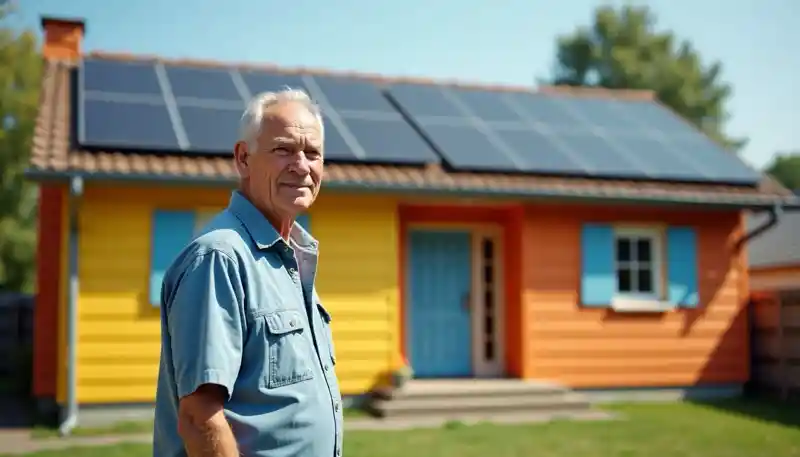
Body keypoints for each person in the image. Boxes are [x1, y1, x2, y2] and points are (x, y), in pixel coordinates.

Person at [152, 89, 343, 457]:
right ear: (243, 159)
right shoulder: (219, 258)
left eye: (313, 153)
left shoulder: (289, 257)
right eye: (284, 149)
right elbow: (199, 418)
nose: (302, 165)